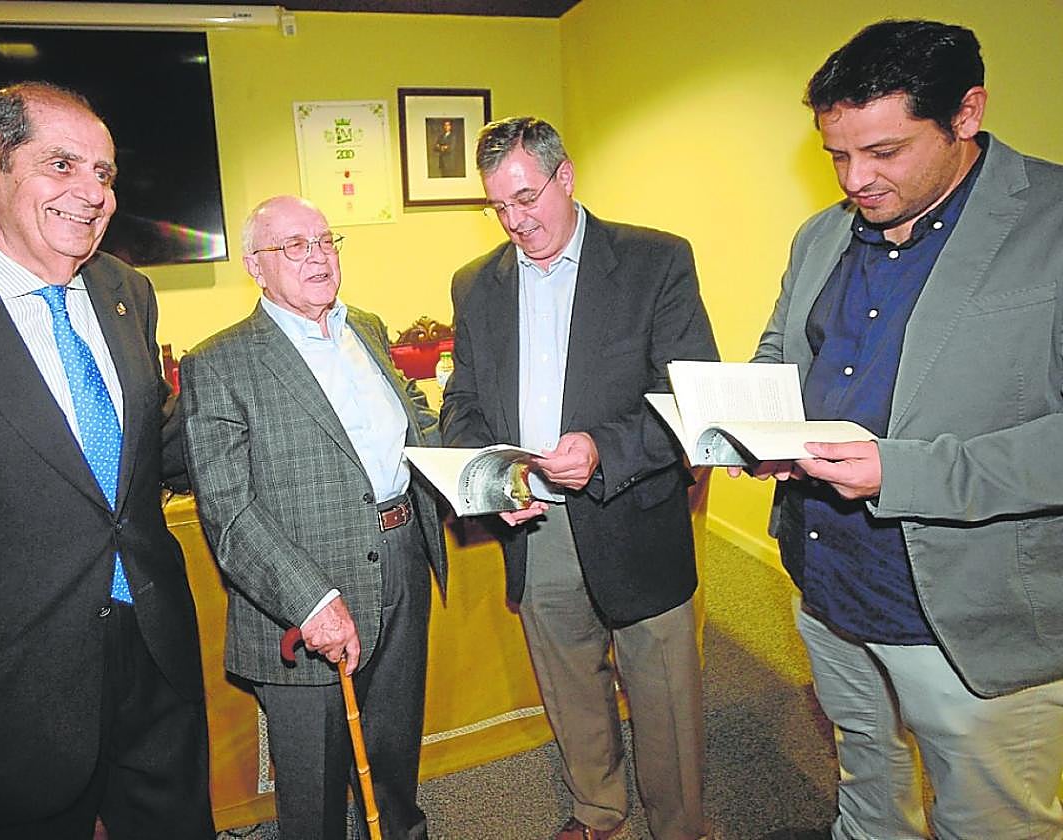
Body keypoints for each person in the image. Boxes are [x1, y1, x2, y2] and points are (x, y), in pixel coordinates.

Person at [0, 82, 213, 839]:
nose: (93, 194)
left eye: (105, 173)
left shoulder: (127, 291)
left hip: (151, 659)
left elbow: (148, 451)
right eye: (62, 165)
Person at [746, 19, 1063, 839]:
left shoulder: (1053, 224)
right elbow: (781, 350)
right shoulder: (821, 233)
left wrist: (902, 472)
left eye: (884, 152)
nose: (857, 179)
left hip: (972, 613)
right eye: (838, 156)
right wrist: (747, 424)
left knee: (990, 821)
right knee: (866, 790)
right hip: (827, 585)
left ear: (967, 113)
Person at [441, 116, 718, 840]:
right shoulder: (476, 283)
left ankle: (680, 826)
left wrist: (602, 447)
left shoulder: (655, 260)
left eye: (527, 198)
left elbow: (689, 397)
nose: (515, 221)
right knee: (569, 685)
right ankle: (599, 811)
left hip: (632, 512)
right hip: (533, 521)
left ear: (566, 178)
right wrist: (488, 478)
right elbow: (462, 401)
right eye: (498, 206)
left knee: (664, 695)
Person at [180, 195, 447, 840]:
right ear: (256, 266)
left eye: (326, 241)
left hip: (402, 560)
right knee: (315, 794)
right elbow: (228, 510)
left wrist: (489, 479)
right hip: (303, 596)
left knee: (391, 754)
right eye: (294, 246)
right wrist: (311, 601)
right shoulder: (219, 362)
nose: (318, 256)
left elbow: (418, 435)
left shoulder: (370, 329)